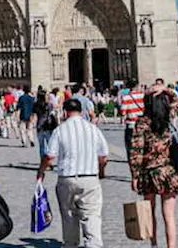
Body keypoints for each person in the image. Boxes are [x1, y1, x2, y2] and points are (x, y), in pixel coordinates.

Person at [38, 98, 109, 248]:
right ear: (81, 111)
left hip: (67, 178)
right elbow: (103, 156)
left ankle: (71, 244)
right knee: (92, 216)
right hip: (90, 178)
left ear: (65, 112)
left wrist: (41, 171)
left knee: (69, 216)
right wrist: (101, 171)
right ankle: (93, 244)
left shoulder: (60, 130)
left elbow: (50, 155)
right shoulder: (92, 128)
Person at [128, 92, 178, 248]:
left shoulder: (142, 123)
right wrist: (166, 90)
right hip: (168, 171)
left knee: (149, 212)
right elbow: (177, 100)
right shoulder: (167, 120)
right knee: (169, 216)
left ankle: (154, 244)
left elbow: (136, 151)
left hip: (149, 172)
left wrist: (134, 175)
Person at [119, 83, 145, 152]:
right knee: (143, 142)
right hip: (142, 123)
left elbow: (123, 112)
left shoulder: (126, 97)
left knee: (130, 143)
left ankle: (132, 159)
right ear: (137, 86)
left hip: (131, 123)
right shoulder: (143, 96)